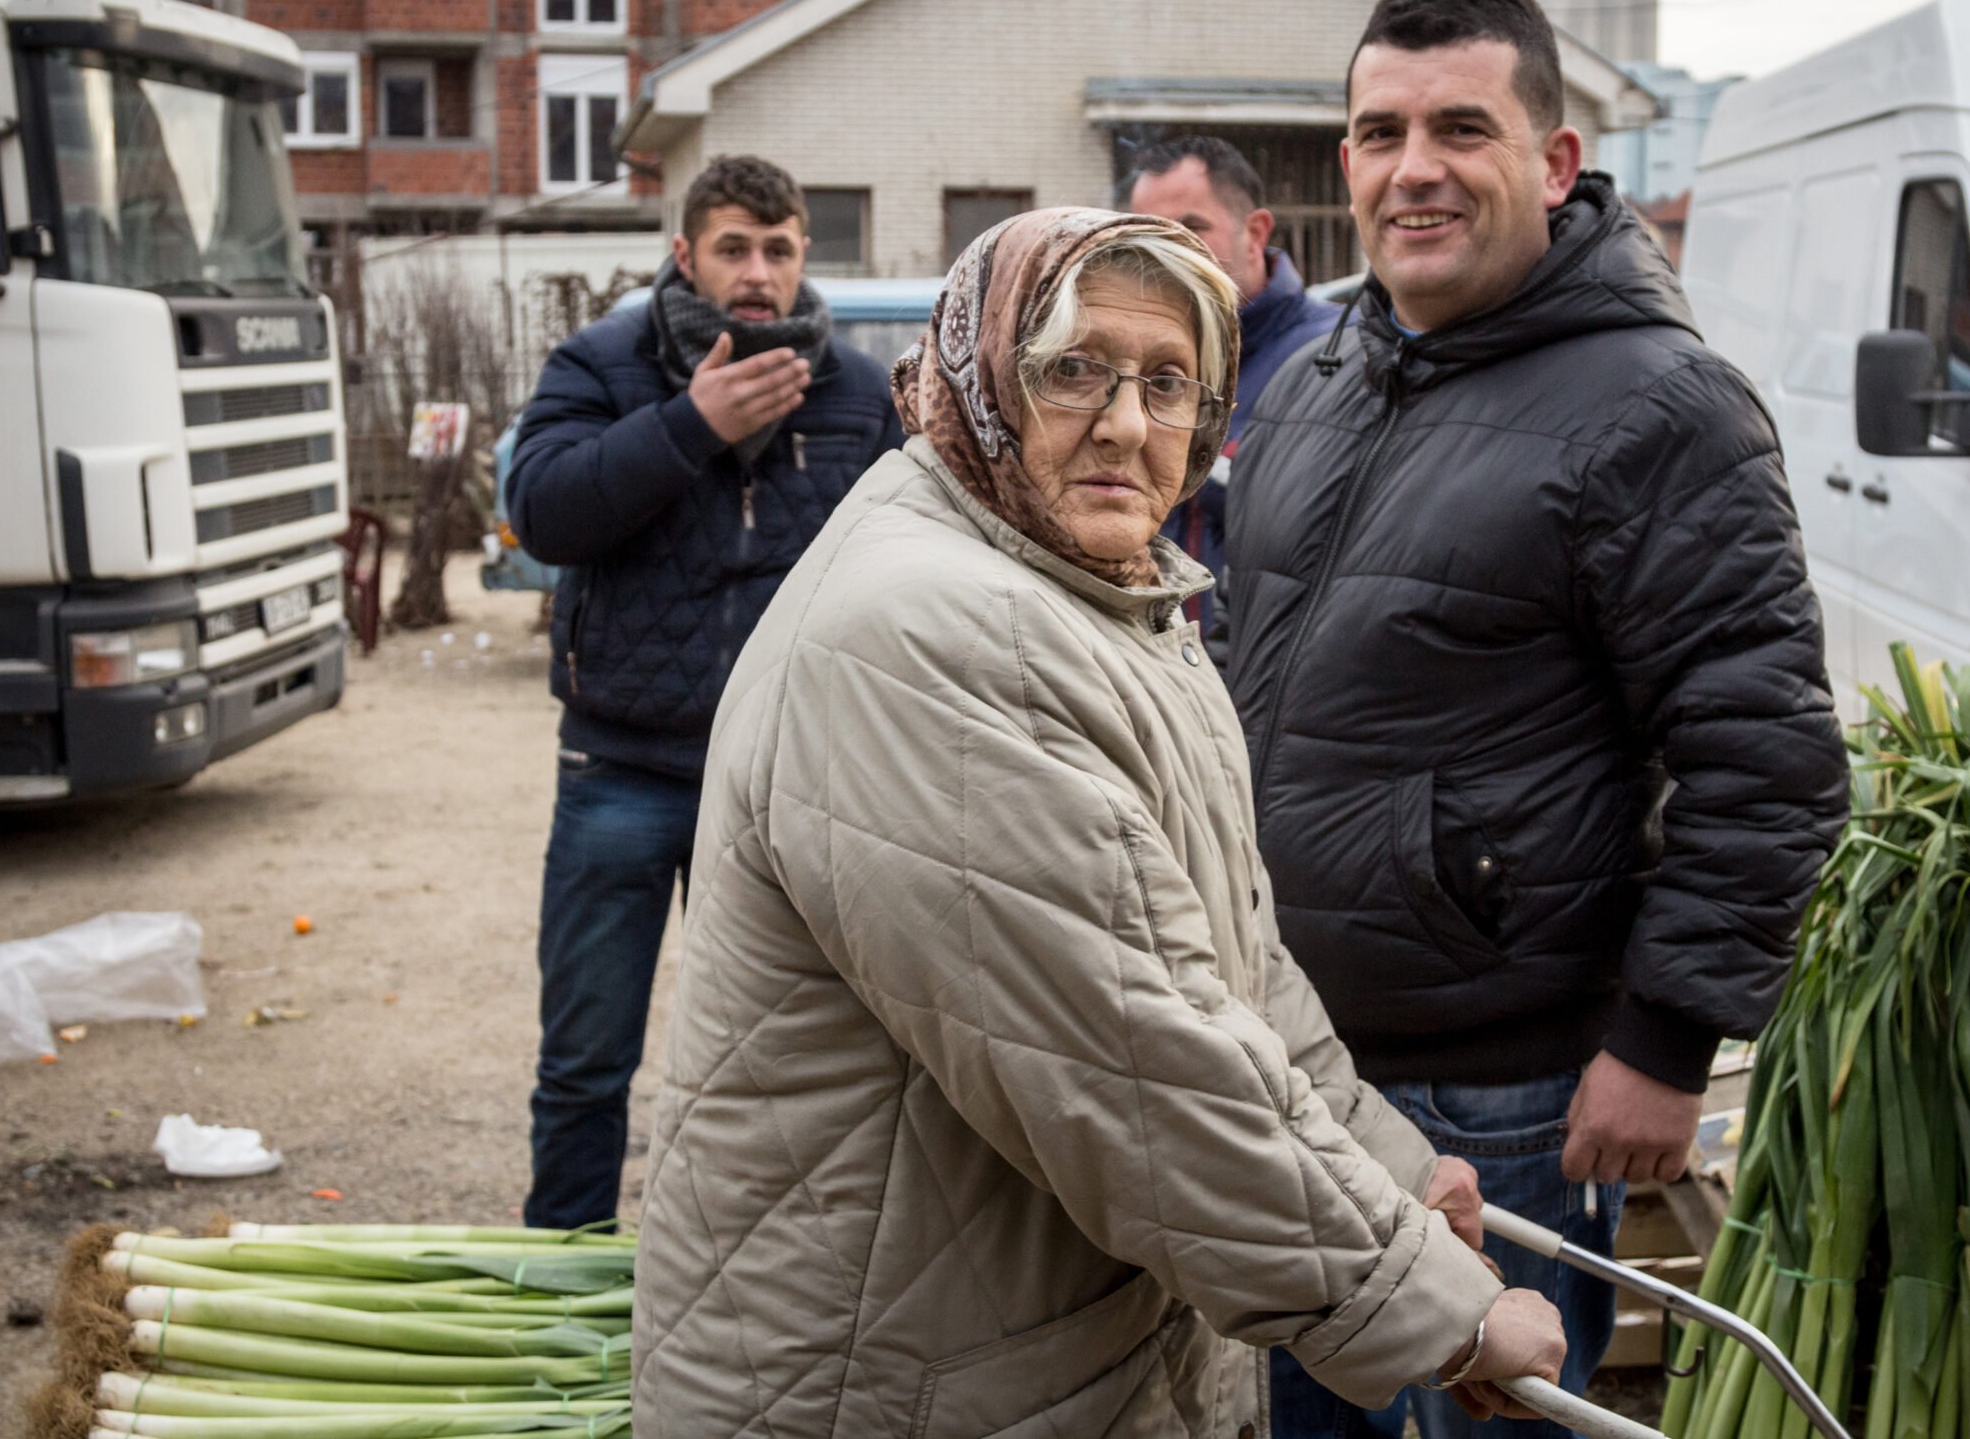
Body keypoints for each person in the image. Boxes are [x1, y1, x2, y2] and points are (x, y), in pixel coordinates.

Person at [631, 208, 1567, 1437]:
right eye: (1073, 369)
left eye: (1170, 383)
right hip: (883, 1383)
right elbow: (1129, 1055)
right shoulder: (921, 632)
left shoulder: (1093, 597)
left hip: (1003, 1350)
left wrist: (1394, 1171)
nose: (1128, 422)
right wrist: (1421, 1302)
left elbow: (1222, 969)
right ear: (975, 380)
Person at [1226, 0, 1851, 1438]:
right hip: (1299, 1060)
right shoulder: (1317, 380)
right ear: (1346, 164)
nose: (1414, 166)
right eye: (1380, 131)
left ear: (1556, 162)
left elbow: (1768, 758)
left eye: (1462, 127)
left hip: (1494, 1089)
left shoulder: (1660, 406)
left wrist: (1665, 1035)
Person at [503, 154, 905, 1229]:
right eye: (734, 247)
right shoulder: (602, 363)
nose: (757, 273)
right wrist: (691, 424)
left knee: (779, 1074)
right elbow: (541, 515)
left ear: (804, 255)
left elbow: (911, 562)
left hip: (784, 777)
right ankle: (564, 1281)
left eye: (778, 249)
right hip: (619, 773)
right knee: (586, 1060)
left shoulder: (859, 392)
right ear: (684, 255)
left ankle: (745, 1298)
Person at [1123, 136, 1339, 635]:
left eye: (1192, 228)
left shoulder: (1335, 355)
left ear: (1256, 232)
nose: (1165, 252)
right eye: (1148, 232)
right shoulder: (1127, 365)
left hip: (1261, 673)